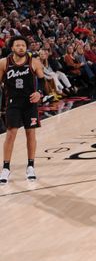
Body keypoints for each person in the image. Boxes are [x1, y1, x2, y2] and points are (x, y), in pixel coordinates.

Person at [0, 36, 44, 183]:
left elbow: (42, 80)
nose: (21, 48)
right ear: (12, 48)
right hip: (12, 104)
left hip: (30, 104)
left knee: (30, 134)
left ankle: (30, 166)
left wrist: (39, 93)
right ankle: (6, 168)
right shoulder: (4, 63)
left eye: (23, 45)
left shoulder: (34, 62)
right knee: (10, 134)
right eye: (17, 45)